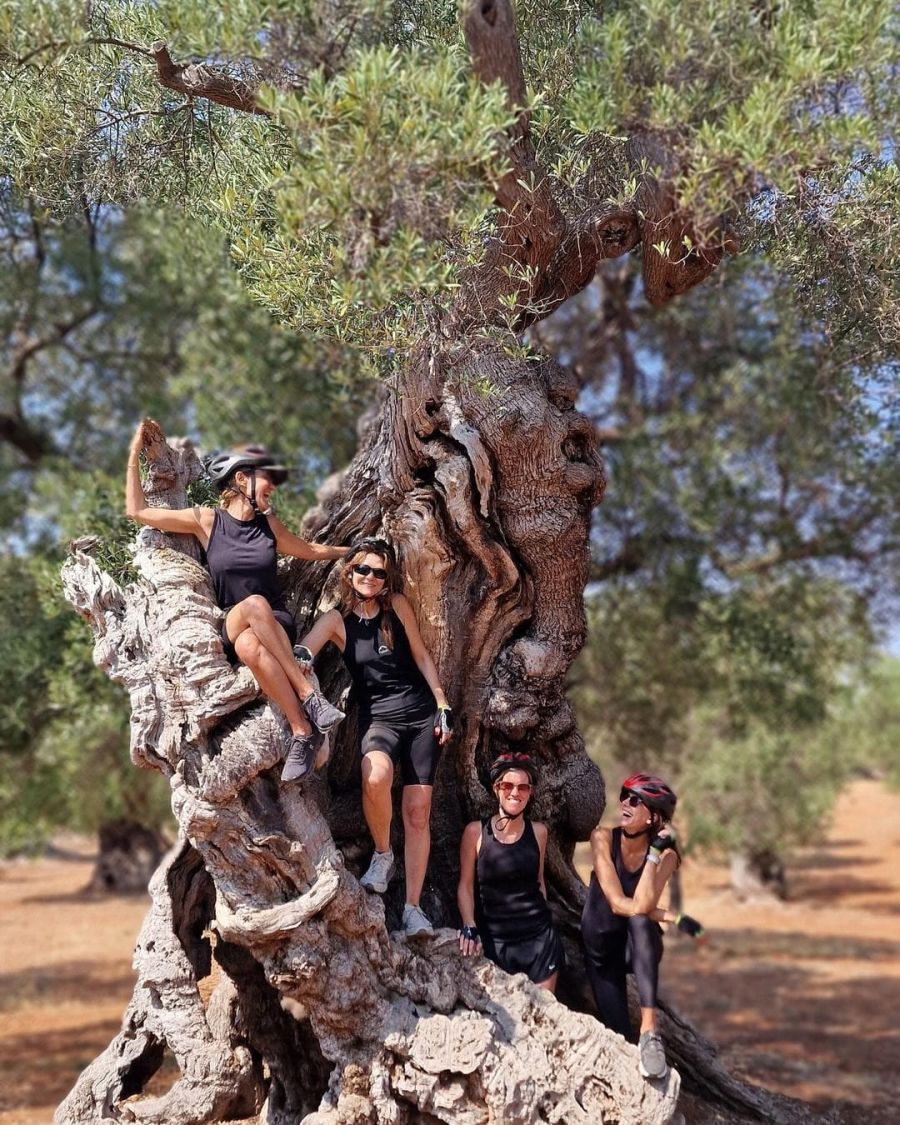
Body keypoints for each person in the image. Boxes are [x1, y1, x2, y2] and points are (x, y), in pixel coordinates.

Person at [125, 418, 349, 783]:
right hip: (236, 614)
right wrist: (135, 452)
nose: (273, 487)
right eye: (268, 478)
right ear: (242, 478)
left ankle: (301, 731)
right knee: (251, 610)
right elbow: (138, 512)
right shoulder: (207, 520)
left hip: (275, 625)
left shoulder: (270, 526)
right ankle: (309, 696)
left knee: (249, 644)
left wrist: (349, 550)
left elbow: (308, 550)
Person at [298, 538, 452, 936]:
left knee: (418, 812)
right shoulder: (336, 619)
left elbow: (420, 655)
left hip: (420, 717)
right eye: (363, 569)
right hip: (378, 717)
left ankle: (413, 909)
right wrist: (294, 663)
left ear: (386, 580)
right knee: (375, 776)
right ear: (350, 572)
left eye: (378, 572)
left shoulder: (396, 606)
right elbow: (304, 652)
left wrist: (442, 702)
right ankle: (383, 855)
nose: (370, 577)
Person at [581, 772, 705, 1081]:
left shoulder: (666, 858)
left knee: (639, 921)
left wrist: (654, 855)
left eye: (635, 800)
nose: (624, 803)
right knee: (619, 1036)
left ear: (653, 818)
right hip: (601, 950)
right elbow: (617, 902)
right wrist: (673, 917)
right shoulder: (602, 838)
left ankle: (651, 1031)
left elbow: (642, 906)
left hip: (635, 947)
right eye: (624, 795)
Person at [457, 753, 564, 993]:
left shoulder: (539, 832)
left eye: (523, 787)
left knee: (543, 1018)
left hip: (540, 942)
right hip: (496, 944)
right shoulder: (476, 832)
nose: (515, 793)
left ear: (530, 793)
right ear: (496, 789)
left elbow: (538, 882)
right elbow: (465, 886)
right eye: (507, 785)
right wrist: (469, 924)